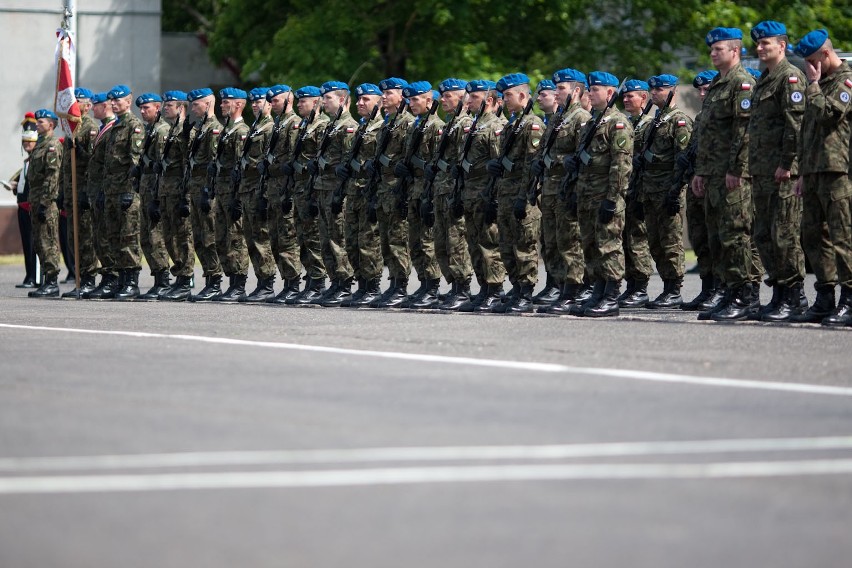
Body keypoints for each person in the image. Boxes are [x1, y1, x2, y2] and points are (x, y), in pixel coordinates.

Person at [691, 28, 759, 321]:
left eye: (718, 49)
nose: (712, 54)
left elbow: (744, 133)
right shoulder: (718, 85)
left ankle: (746, 296)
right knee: (718, 236)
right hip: (714, 174)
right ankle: (730, 292)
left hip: (733, 175)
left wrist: (737, 170)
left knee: (736, 236)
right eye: (711, 50)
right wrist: (702, 173)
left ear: (734, 51)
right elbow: (709, 135)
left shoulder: (741, 84)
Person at [746, 21, 808, 322]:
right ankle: (779, 293)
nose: (759, 48)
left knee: (784, 234)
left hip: (783, 172)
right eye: (757, 44)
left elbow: (795, 126)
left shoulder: (790, 77)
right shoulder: (764, 79)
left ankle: (795, 297)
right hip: (761, 171)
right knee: (763, 234)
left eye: (765, 44)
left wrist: (788, 164)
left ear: (781, 46)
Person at [792, 29, 852, 326]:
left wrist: (814, 85)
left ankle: (849, 299)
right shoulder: (820, 83)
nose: (808, 67)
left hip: (837, 172)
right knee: (815, 237)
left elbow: (830, 114)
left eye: (811, 61)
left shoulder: (845, 82)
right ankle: (825, 296)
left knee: (843, 238)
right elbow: (807, 132)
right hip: (814, 171)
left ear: (826, 55)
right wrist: (802, 171)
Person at [565, 71, 634, 317]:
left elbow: (621, 165)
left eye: (595, 90)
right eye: (590, 90)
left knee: (608, 245)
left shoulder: (618, 123)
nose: (590, 94)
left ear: (610, 93)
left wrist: (613, 199)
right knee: (590, 244)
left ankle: (611, 295)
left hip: (605, 195)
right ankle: (597, 290)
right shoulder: (592, 122)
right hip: (586, 194)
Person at [535, 68, 592, 315]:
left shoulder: (581, 119)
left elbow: (583, 159)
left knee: (570, 242)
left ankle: (573, 291)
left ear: (576, 91)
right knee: (553, 242)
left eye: (561, 89)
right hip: (550, 190)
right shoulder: (560, 118)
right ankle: (559, 287)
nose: (556, 93)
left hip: (568, 189)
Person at [487, 73, 545, 313]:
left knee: (524, 246)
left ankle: (526, 292)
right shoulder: (513, 124)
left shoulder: (533, 125)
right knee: (507, 246)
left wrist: (524, 197)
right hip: (506, 194)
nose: (505, 99)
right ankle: (516, 289)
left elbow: (531, 167)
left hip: (523, 197)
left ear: (522, 95)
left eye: (508, 95)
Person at [640, 74, 693, 309]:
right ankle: (665, 284)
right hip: (650, 189)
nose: (653, 93)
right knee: (655, 241)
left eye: (659, 90)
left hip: (668, 189)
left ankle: (674, 289)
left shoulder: (679, 121)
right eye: (652, 90)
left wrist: (676, 190)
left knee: (670, 240)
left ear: (672, 92)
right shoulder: (654, 122)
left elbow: (682, 160)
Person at [393, 81, 444, 308]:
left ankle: (432, 287)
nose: (411, 104)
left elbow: (437, 166)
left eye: (415, 99)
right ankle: (423, 284)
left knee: (426, 241)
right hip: (414, 190)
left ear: (429, 101)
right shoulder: (416, 126)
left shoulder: (435, 126)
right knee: (415, 242)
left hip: (427, 191)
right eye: (409, 100)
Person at [457, 80, 507, 312]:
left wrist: (494, 199)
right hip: (470, 193)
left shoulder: (495, 128)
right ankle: (484, 287)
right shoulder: (475, 126)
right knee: (475, 244)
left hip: (485, 194)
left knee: (489, 243)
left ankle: (495, 290)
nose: (468, 101)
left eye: (473, 97)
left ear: (488, 100)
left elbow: (499, 168)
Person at [337, 83, 386, 307]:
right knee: (352, 241)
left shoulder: (383, 128)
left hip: (369, 191)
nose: (360, 103)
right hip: (353, 191)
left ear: (380, 102)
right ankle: (362, 284)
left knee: (368, 241)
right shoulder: (361, 128)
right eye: (359, 99)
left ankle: (372, 285)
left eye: (366, 99)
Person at [281, 85, 330, 304]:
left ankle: (318, 282)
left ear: (316, 103)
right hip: (299, 188)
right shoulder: (303, 126)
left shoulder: (322, 126)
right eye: (298, 101)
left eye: (304, 101)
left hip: (313, 187)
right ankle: (311, 280)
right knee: (303, 236)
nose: (300, 104)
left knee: (313, 237)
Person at [370, 77, 415, 308]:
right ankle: (393, 283)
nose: (384, 97)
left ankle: (401, 286)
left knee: (398, 239)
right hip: (383, 189)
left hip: (398, 189)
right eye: (383, 93)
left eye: (389, 93)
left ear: (402, 95)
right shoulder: (389, 123)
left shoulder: (408, 123)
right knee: (387, 240)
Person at [432, 78, 475, 310]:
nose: (443, 100)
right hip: (442, 190)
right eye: (442, 95)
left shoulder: (465, 125)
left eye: (448, 95)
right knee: (441, 243)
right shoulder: (449, 125)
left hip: (454, 191)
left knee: (456, 241)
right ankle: (454, 286)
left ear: (463, 99)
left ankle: (463, 288)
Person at [314, 81, 359, 306]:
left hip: (337, 191)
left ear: (342, 100)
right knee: (325, 239)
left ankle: (345, 283)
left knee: (338, 238)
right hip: (323, 189)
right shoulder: (329, 126)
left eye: (328, 98)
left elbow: (347, 163)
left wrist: (341, 193)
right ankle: (335, 281)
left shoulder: (348, 127)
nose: (323, 102)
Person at [101, 85, 145, 300]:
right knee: (114, 236)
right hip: (111, 190)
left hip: (126, 191)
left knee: (128, 236)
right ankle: (120, 278)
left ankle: (131, 282)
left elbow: (135, 161)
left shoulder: (133, 126)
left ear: (128, 102)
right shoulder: (113, 127)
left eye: (118, 100)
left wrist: (130, 189)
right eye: (112, 101)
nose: (114, 104)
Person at [680, 70, 718, 311]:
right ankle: (708, 288)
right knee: (699, 238)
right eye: (700, 90)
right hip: (697, 182)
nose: (702, 94)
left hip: (714, 182)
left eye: (707, 89)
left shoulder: (719, 115)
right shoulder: (702, 116)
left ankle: (722, 289)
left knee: (717, 238)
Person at [261, 84, 302, 304]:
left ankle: (293, 283)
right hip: (274, 191)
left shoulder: (293, 124)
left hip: (287, 191)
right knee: (275, 239)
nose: (271, 104)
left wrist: (273, 166)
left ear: (288, 100)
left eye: (275, 100)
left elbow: (292, 159)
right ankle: (287, 282)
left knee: (287, 239)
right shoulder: (278, 125)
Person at [183, 88, 224, 301]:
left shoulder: (214, 129)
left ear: (207, 104)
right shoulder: (200, 128)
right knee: (198, 237)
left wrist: (209, 191)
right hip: (195, 189)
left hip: (206, 191)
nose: (192, 108)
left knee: (209, 237)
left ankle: (215, 280)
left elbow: (214, 162)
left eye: (196, 104)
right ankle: (209, 278)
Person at [237, 87, 277, 303]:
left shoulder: (270, 128)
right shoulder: (255, 127)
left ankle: (267, 283)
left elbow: (266, 159)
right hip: (248, 189)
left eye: (259, 101)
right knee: (252, 238)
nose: (254, 105)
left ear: (269, 104)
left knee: (262, 237)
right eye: (252, 102)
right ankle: (261, 281)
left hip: (260, 189)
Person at [59, 88, 100, 297]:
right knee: (72, 236)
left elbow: (93, 161)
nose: (73, 107)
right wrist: (60, 191)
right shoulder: (70, 129)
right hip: (70, 192)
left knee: (85, 236)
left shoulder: (90, 128)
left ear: (87, 106)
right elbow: (66, 164)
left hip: (83, 191)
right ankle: (79, 277)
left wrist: (80, 150)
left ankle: (90, 278)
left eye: (77, 103)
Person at [212, 87, 250, 302]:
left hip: (234, 193)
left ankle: (239, 284)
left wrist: (237, 197)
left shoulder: (241, 131)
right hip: (222, 192)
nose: (222, 105)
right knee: (222, 238)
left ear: (238, 104)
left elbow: (239, 167)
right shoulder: (227, 130)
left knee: (236, 239)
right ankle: (231, 281)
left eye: (226, 102)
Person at [157, 90, 195, 301]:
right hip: (167, 191)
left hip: (180, 192)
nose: (164, 108)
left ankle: (186, 278)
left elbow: (187, 165)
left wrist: (185, 196)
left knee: (183, 236)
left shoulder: (185, 131)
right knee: (170, 236)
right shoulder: (172, 130)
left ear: (180, 108)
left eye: (169, 105)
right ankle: (179, 275)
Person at [619, 79, 654, 308]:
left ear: (643, 98)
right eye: (624, 96)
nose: (625, 99)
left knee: (637, 239)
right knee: (625, 238)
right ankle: (631, 284)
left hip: (642, 188)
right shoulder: (629, 123)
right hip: (627, 188)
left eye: (630, 96)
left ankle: (640, 287)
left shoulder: (650, 123)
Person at [134, 92, 172, 300]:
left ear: (157, 107)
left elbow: (161, 166)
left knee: (156, 237)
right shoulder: (149, 130)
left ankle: (163, 279)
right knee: (146, 237)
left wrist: (157, 198)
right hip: (145, 189)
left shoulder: (162, 130)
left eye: (146, 108)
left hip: (155, 190)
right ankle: (158, 276)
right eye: (140, 108)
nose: (142, 111)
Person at [83, 92, 119, 299]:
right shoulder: (104, 129)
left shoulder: (111, 128)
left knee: (107, 237)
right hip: (97, 190)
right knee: (99, 237)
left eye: (95, 105)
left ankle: (111, 278)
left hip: (107, 190)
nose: (92, 108)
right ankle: (107, 277)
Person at [530, 78, 562, 305]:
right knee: (548, 239)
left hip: (560, 187)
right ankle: (553, 283)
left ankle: (563, 285)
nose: (539, 98)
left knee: (563, 239)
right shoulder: (548, 122)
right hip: (546, 187)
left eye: (544, 94)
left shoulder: (562, 122)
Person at [26, 109, 64, 298]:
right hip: (35, 200)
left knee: (48, 241)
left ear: (51, 125)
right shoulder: (39, 145)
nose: (37, 125)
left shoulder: (52, 145)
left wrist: (44, 203)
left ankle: (52, 282)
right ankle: (46, 280)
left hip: (46, 202)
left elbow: (52, 176)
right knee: (39, 242)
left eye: (41, 122)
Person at [7, 114, 38, 288]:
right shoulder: (27, 162)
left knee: (35, 244)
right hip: (23, 206)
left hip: (32, 206)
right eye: (24, 142)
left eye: (30, 142)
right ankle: (29, 275)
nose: (27, 144)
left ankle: (36, 277)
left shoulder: (36, 160)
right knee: (27, 244)